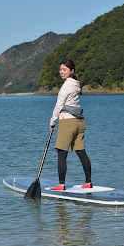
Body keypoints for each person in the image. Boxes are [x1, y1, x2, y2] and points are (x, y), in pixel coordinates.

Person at [49, 59, 92, 190]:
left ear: (71, 71)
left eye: (64, 70)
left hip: (67, 121)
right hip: (79, 121)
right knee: (81, 152)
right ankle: (88, 182)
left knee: (62, 153)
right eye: (61, 69)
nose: (61, 72)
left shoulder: (67, 85)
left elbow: (59, 105)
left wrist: (52, 121)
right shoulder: (76, 84)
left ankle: (61, 184)